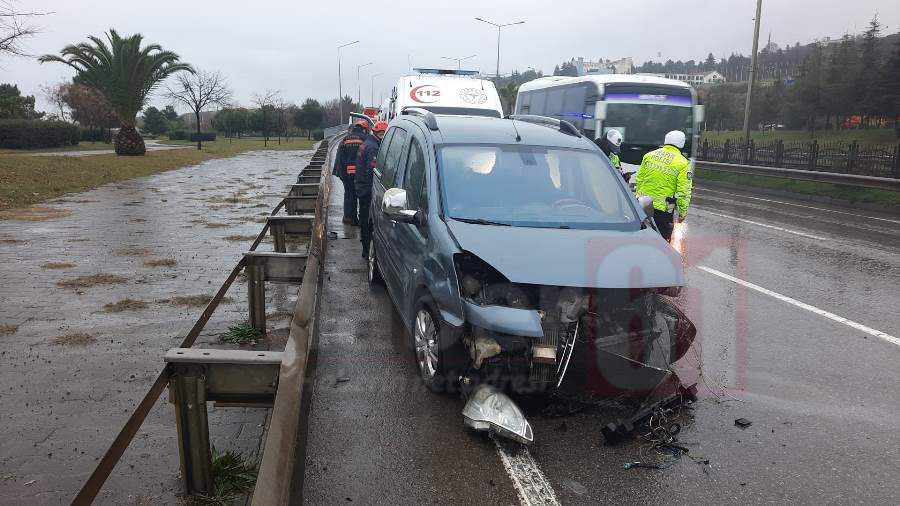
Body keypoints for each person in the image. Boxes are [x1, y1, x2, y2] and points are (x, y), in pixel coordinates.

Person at [634, 130, 692, 242]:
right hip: (664, 211)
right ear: (682, 143)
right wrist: (682, 213)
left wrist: (638, 199)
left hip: (643, 207)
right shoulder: (683, 163)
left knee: (641, 240)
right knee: (662, 243)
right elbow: (683, 191)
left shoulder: (649, 155)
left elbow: (639, 179)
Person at [355, 120, 388, 259]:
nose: (383, 137)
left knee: (363, 217)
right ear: (378, 133)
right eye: (382, 134)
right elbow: (371, 170)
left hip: (361, 185)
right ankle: (367, 249)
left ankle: (365, 246)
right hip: (367, 188)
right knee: (367, 219)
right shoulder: (373, 147)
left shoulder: (367, 143)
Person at [333, 120, 369, 225]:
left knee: (349, 194)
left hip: (346, 173)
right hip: (359, 174)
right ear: (364, 129)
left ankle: (348, 217)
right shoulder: (365, 139)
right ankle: (361, 220)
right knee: (362, 196)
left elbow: (340, 157)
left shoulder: (345, 139)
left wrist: (342, 174)